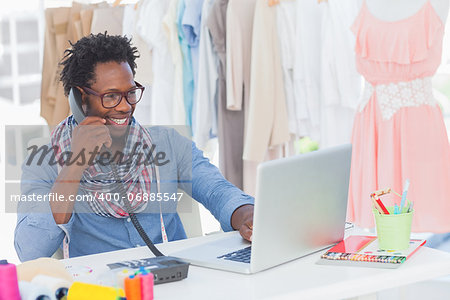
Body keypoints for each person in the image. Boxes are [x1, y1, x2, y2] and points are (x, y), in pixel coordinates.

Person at [14, 33, 254, 262]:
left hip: (174, 282)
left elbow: (217, 191)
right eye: (110, 96)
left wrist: (247, 215)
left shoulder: (167, 143)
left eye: (130, 93)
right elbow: (30, 250)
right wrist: (75, 164)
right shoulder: (46, 162)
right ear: (80, 99)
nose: (125, 107)